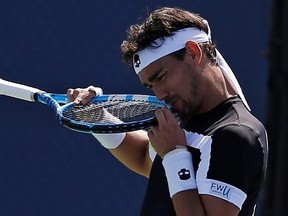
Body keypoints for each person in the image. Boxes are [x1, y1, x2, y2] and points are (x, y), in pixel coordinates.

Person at [67, 7, 268, 216]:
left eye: (161, 77)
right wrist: (98, 117)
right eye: (151, 86)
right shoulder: (181, 119)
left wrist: (175, 156)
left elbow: (170, 159)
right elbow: (145, 158)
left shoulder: (236, 135)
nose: (160, 94)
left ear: (193, 52)